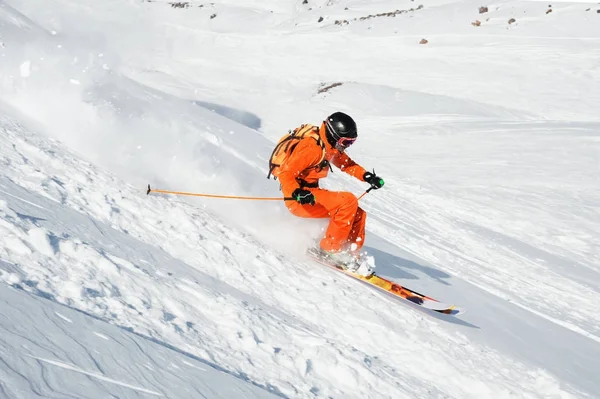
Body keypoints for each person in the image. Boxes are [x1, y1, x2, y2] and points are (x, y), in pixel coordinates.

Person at [270, 112, 384, 272]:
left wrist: (366, 176)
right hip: (300, 198)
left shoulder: (329, 147)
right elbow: (286, 173)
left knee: (358, 214)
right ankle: (330, 250)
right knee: (347, 201)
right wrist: (296, 192)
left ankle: (349, 254)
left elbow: (346, 163)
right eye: (346, 142)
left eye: (351, 142)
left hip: (311, 194)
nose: (346, 146)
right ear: (333, 135)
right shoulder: (312, 148)